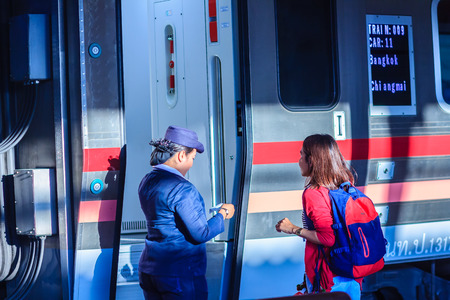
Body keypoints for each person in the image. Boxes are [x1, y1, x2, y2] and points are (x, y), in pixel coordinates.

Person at [138, 125, 235, 300]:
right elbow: (201, 233)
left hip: (150, 269)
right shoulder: (182, 188)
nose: (191, 164)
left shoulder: (147, 180)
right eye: (192, 158)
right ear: (182, 155)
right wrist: (223, 213)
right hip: (179, 273)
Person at [275, 134, 362, 300]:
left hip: (329, 277)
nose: (299, 161)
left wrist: (292, 228)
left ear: (312, 160)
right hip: (352, 273)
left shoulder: (313, 193)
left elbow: (327, 238)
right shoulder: (345, 184)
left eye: (302, 155)